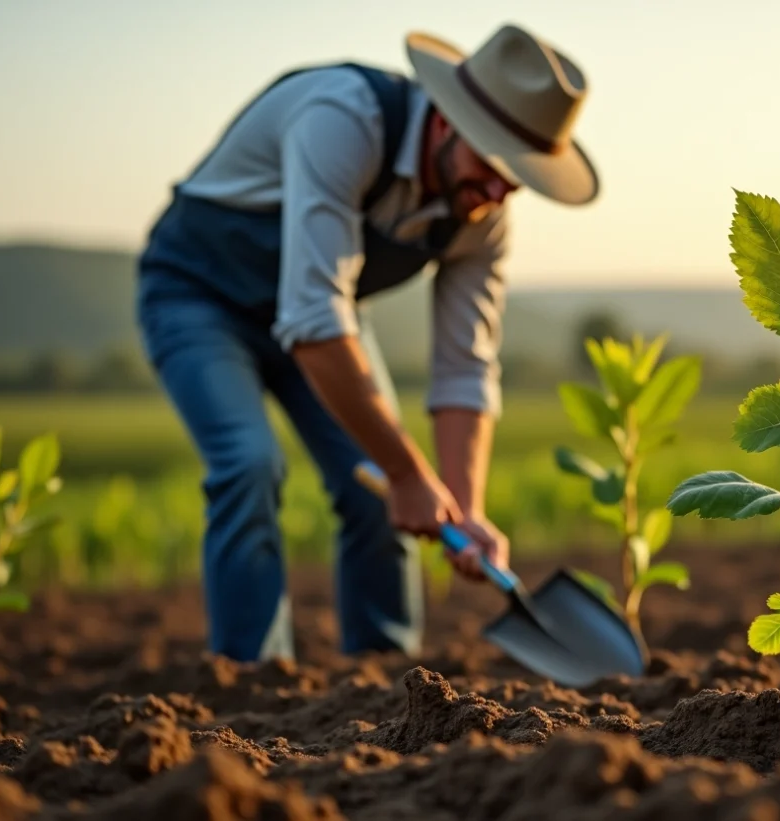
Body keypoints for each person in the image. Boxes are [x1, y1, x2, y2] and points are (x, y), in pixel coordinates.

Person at [134, 22, 598, 664]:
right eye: (490, 165)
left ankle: (385, 682)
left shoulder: (481, 220)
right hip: (199, 298)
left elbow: (464, 365)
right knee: (249, 464)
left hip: (320, 326)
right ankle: (250, 680)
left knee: (379, 493)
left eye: (515, 181)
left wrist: (463, 508)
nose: (496, 194)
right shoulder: (343, 120)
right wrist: (408, 473)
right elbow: (315, 319)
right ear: (444, 120)